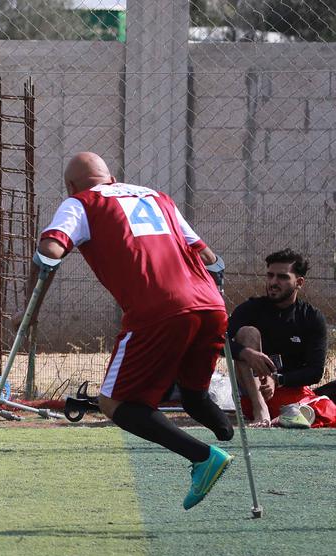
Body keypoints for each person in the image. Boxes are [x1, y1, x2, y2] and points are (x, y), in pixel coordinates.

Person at [33, 151, 260, 510]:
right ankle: (224, 429)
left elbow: (50, 250)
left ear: (70, 185)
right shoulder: (157, 197)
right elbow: (210, 259)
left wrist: (29, 310)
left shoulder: (80, 203)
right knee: (193, 391)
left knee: (115, 403)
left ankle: (203, 457)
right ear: (110, 176)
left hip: (159, 310)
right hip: (209, 304)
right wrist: (209, 296)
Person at [228, 248, 329, 427]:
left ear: (299, 282)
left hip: (288, 391)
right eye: (270, 275)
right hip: (252, 395)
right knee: (248, 332)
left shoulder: (312, 317)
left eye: (282, 277)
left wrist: (278, 379)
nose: (273, 282)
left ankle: (285, 417)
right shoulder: (250, 309)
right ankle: (262, 411)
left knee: (326, 410)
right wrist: (246, 353)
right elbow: (218, 342)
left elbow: (315, 372)